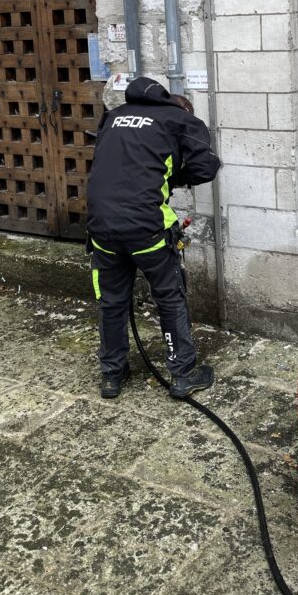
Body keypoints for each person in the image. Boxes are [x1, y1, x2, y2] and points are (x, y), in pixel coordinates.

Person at [86, 76, 221, 400]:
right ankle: (183, 373)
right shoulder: (180, 120)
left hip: (101, 227)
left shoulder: (115, 116)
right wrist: (175, 176)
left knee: (112, 303)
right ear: (181, 108)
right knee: (169, 299)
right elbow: (206, 168)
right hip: (147, 229)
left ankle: (112, 375)